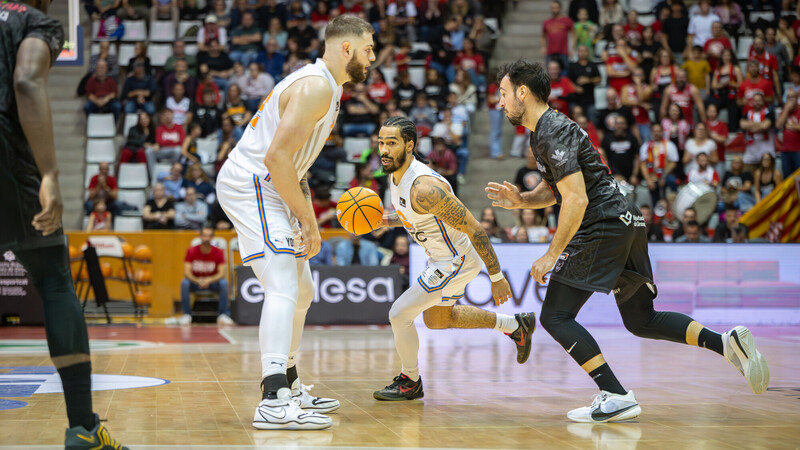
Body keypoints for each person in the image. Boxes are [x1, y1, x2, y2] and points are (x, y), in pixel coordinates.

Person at [486, 59, 769, 423]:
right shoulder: (547, 130)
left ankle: (616, 394)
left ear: (523, 92)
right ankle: (727, 343)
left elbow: (576, 198)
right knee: (641, 319)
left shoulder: (551, 130)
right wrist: (523, 201)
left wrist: (551, 254)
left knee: (555, 315)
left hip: (602, 222)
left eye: (504, 93)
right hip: (626, 219)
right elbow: (559, 188)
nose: (500, 102)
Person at [215, 16, 376, 430]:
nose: (373, 57)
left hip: (275, 185)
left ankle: (290, 383)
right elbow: (275, 158)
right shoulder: (315, 87)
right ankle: (273, 399)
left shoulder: (331, 88)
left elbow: (295, 165)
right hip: (253, 183)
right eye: (368, 49)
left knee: (303, 290)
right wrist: (309, 220)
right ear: (346, 49)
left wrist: (305, 217)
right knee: (283, 283)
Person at [0, 0, 129, 447]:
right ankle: (83, 429)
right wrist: (50, 174)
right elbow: (26, 79)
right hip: (8, 161)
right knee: (55, 281)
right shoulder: (33, 22)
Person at [373, 116, 534, 401]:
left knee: (399, 314)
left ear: (409, 145)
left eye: (392, 143)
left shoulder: (425, 188)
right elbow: (413, 214)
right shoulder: (396, 174)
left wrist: (496, 277)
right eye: (381, 143)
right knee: (437, 320)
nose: (384, 150)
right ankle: (514, 325)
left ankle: (410, 380)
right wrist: (385, 220)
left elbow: (475, 228)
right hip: (441, 258)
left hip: (454, 261)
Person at [168, 227, 233, 326]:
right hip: (196, 282)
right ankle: (187, 315)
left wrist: (209, 280)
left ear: (212, 238)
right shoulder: (191, 251)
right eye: (204, 236)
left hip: (212, 283)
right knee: (185, 283)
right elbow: (187, 272)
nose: (206, 238)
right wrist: (197, 280)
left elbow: (221, 273)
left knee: (223, 283)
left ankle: (223, 314)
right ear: (200, 236)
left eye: (209, 236)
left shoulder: (219, 252)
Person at [639, 122, 678, 206]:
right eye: (654, 131)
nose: (656, 133)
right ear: (651, 132)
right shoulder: (646, 146)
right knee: (655, 198)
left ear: (662, 132)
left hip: (666, 175)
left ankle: (672, 204)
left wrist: (663, 176)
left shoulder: (669, 145)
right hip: (652, 177)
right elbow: (643, 164)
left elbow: (673, 163)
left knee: (672, 180)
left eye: (658, 131)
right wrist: (648, 180)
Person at [601, 115, 640, 185]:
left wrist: (634, 175)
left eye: (622, 123)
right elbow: (603, 158)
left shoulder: (632, 138)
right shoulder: (607, 139)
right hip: (613, 175)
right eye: (617, 124)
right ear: (614, 125)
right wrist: (610, 175)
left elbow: (637, 158)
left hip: (630, 175)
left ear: (626, 125)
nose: (619, 126)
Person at [739, 93, 775, 171]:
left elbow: (765, 126)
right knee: (747, 173)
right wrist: (760, 125)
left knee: (767, 174)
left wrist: (750, 126)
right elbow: (742, 124)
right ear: (752, 102)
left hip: (766, 151)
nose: (757, 102)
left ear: (763, 101)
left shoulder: (769, 112)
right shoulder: (748, 114)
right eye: (755, 100)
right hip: (751, 152)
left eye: (759, 100)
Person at [541, 0, 574, 70]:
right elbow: (543, 36)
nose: (554, 9)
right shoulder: (547, 22)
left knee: (565, 71)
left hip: (563, 52)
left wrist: (572, 48)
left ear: (560, 8)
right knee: (549, 71)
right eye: (553, 8)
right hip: (550, 52)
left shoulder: (567, 20)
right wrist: (543, 47)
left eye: (556, 7)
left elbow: (574, 35)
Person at [776, 87, 800, 179]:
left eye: (792, 97)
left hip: (798, 150)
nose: (790, 100)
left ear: (797, 98)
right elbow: (778, 125)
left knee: (799, 178)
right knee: (787, 179)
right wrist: (786, 110)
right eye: (788, 97)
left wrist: (789, 126)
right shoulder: (784, 110)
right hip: (785, 150)